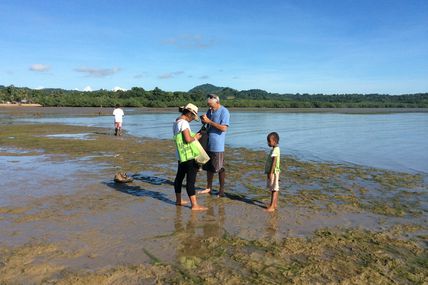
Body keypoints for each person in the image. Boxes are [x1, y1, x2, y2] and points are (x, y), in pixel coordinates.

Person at [173, 103, 208, 211]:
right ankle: (194, 205)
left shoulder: (176, 121)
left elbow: (182, 138)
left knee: (179, 178)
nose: (193, 119)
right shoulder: (184, 123)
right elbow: (188, 139)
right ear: (188, 113)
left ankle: (178, 200)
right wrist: (196, 137)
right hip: (188, 156)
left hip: (181, 155)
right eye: (193, 116)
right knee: (191, 181)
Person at [199, 94, 230, 197]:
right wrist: (203, 120)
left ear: (217, 102)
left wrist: (210, 121)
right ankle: (209, 188)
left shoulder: (224, 111)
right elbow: (207, 124)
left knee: (219, 168)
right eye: (208, 105)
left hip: (218, 145)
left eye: (211, 105)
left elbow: (224, 128)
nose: (210, 108)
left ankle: (221, 190)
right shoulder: (210, 111)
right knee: (208, 167)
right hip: (208, 143)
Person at [265, 132, 281, 212]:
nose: (268, 143)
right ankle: (274, 204)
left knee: (273, 189)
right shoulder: (275, 149)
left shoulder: (276, 150)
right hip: (275, 172)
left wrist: (271, 173)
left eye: (269, 141)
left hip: (274, 172)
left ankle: (272, 206)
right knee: (275, 188)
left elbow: (274, 162)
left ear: (274, 141)